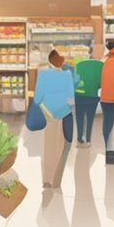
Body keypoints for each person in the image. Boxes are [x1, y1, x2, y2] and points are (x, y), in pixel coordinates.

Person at [33, 49, 76, 189]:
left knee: (47, 145)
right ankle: (54, 179)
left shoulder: (43, 74)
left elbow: (38, 97)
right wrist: (67, 110)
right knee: (59, 145)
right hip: (62, 113)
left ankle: (46, 178)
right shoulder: (67, 75)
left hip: (47, 113)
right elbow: (71, 98)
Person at [73, 53, 103, 148]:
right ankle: (88, 139)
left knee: (79, 117)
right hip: (92, 96)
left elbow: (75, 81)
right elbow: (101, 83)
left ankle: (79, 139)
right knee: (90, 118)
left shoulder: (78, 65)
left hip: (79, 95)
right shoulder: (101, 65)